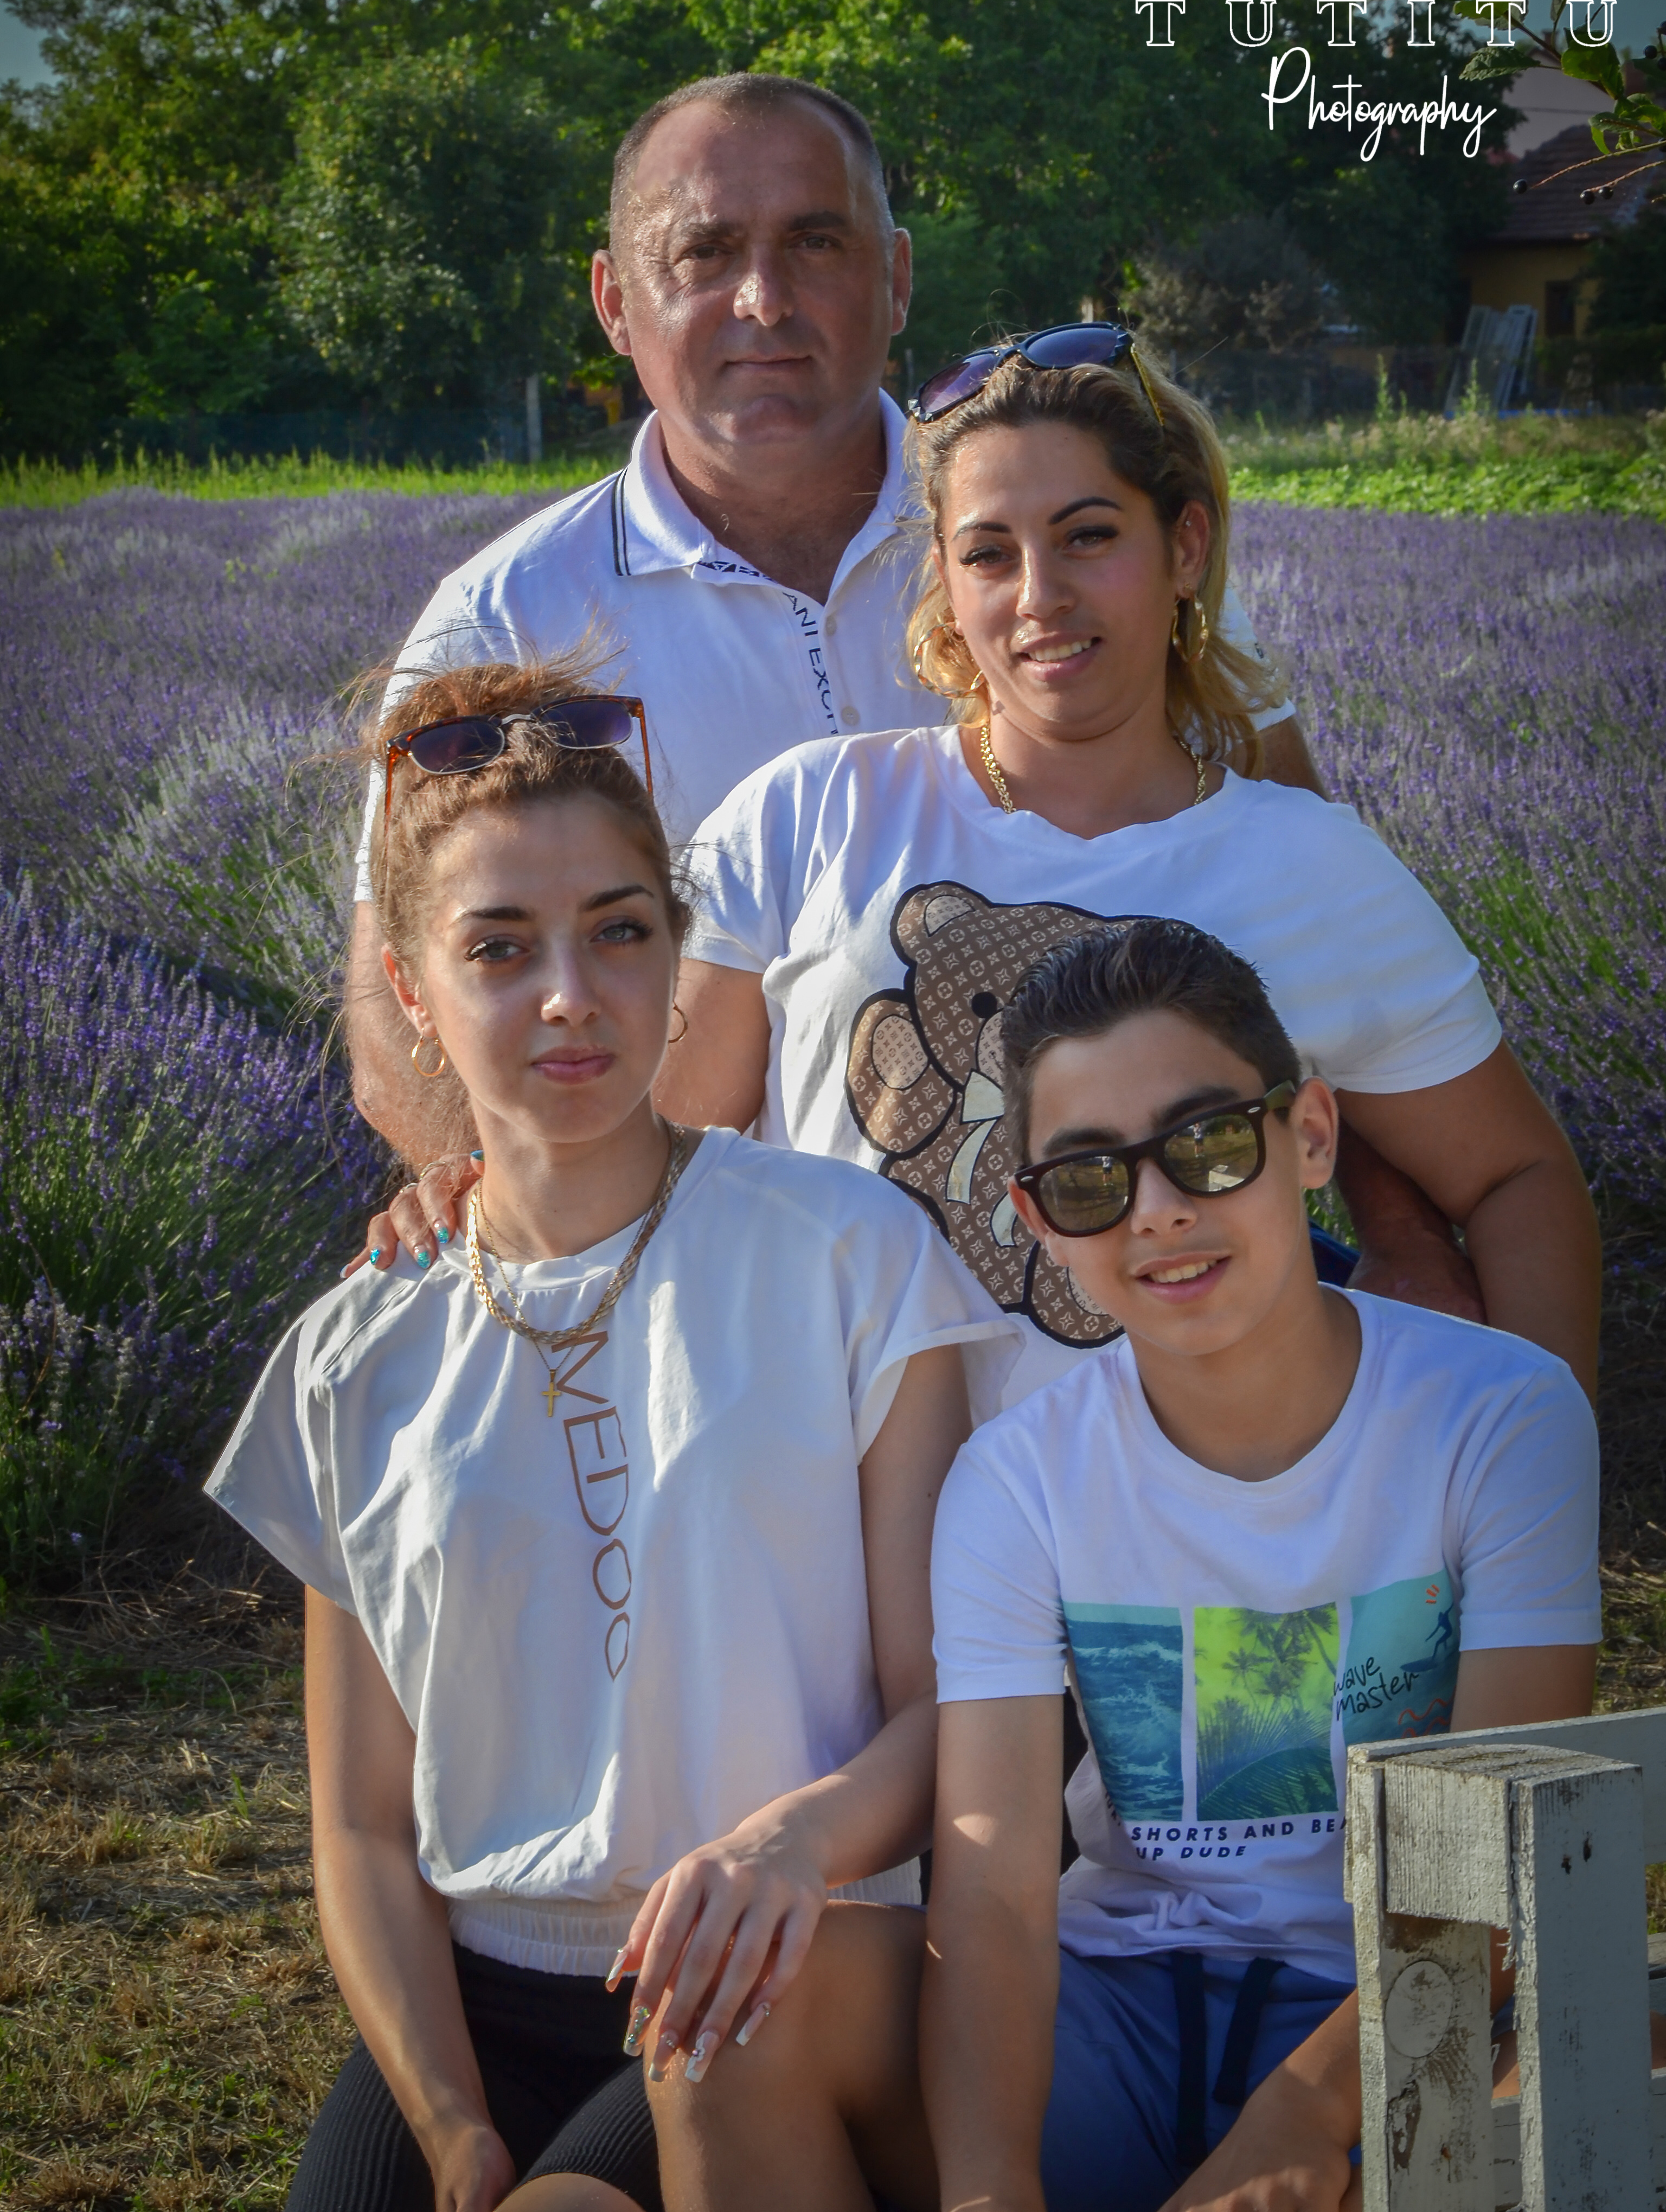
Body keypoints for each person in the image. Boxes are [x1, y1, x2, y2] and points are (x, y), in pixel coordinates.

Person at [205, 655, 1009, 2212]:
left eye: (619, 932)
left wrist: (793, 1845)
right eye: (499, 948)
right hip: (482, 2003)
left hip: (780, 1967)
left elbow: (945, 1713)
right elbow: (362, 1828)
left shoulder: (848, 1259)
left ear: (677, 953)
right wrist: (450, 2122)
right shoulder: (354, 1354)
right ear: (413, 992)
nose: (569, 994)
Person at [648, 919, 1599, 2212]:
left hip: (1408, 2009)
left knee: (1556, 2095)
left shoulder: (1501, 1417)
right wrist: (991, 2190)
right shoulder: (1019, 1479)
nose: (1159, 1212)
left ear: (1311, 1134)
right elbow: (994, 1894)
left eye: (1208, 1143)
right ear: (1038, 1218)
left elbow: (1488, 1869)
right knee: (743, 2018)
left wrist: (1301, 2119)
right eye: (1092, 1178)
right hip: (1122, 2006)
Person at [345, 69, 1340, 1267]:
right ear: (615, 300)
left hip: (1135, 1257)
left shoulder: (1041, 531)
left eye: (817, 243)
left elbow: (1310, 886)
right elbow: (400, 993)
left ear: (897, 278)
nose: (764, 301)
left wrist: (1396, 1232)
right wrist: (523, 1234)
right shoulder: (507, 616)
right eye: (704, 253)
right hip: (726, 1286)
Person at [659, 346, 1600, 1407]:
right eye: (989, 554)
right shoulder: (804, 815)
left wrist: (1535, 1472)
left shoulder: (1314, 866)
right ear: (947, 586)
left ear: (1184, 547)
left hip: (1192, 1509)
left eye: (1089, 536)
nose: (1041, 596)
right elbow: (658, 1169)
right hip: (837, 1489)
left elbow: (1518, 1178)